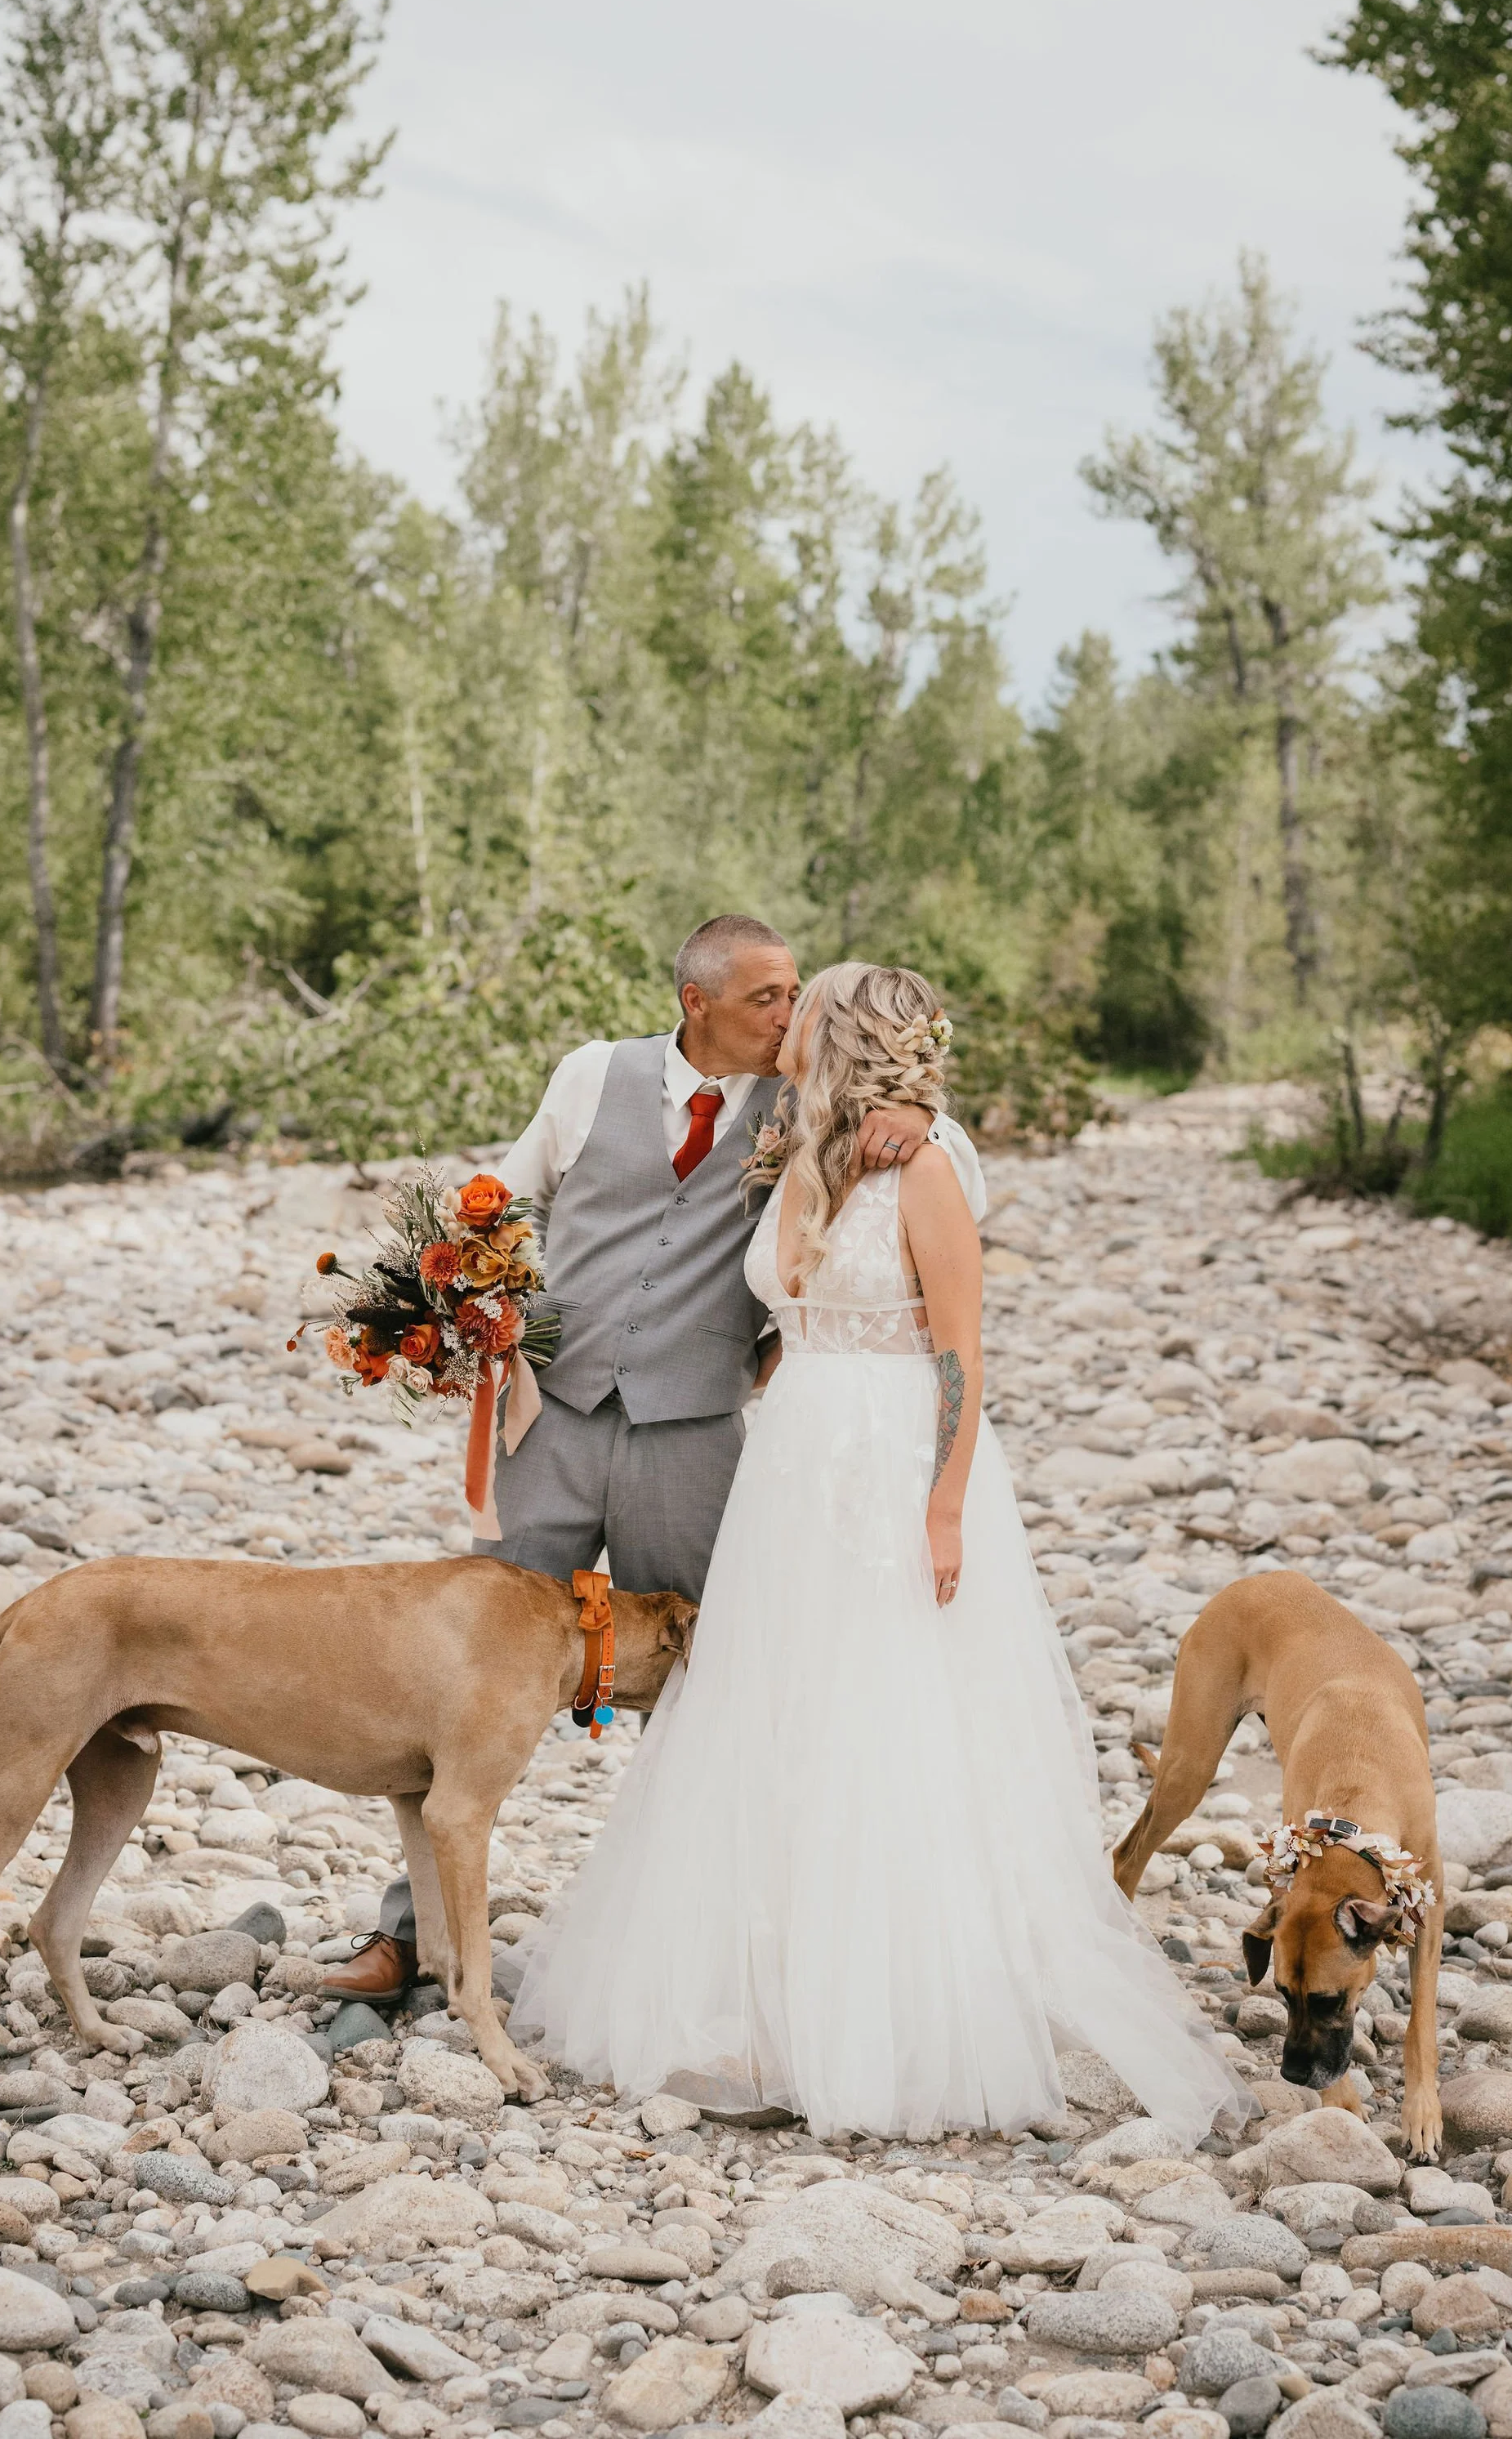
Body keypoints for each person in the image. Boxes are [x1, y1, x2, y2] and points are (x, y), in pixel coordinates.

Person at [506, 961, 1242, 2141]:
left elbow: (963, 1352)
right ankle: (757, 1986)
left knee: (888, 1713)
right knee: (776, 1708)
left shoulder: (927, 1162)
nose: (783, 1023)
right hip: (794, 1464)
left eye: (803, 1009)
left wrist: (945, 1505)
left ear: (840, 1037)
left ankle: (888, 2014)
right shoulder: (800, 1143)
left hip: (896, 1457)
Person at [319, 917, 983, 2005]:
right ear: (698, 1000)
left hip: (699, 1439)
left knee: (716, 1678)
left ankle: (717, 1941)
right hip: (553, 1424)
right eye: (769, 997)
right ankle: (412, 1937)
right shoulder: (593, 1077)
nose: (789, 1016)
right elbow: (498, 1196)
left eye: (797, 1000)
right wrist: (458, 1314)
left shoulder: (811, 1100)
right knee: (470, 1669)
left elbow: (927, 1163)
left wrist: (913, 1110)